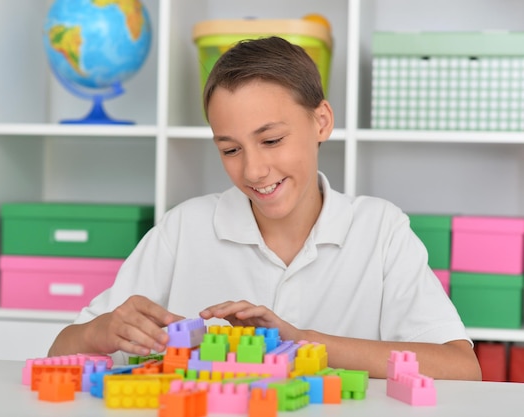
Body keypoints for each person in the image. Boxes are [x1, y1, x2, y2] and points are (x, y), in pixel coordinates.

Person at [48, 36, 481, 380]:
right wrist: (99, 332)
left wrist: (301, 344)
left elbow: (461, 368)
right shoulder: (184, 229)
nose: (254, 170)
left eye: (271, 140)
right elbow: (59, 351)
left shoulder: (380, 229)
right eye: (230, 149)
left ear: (321, 122)